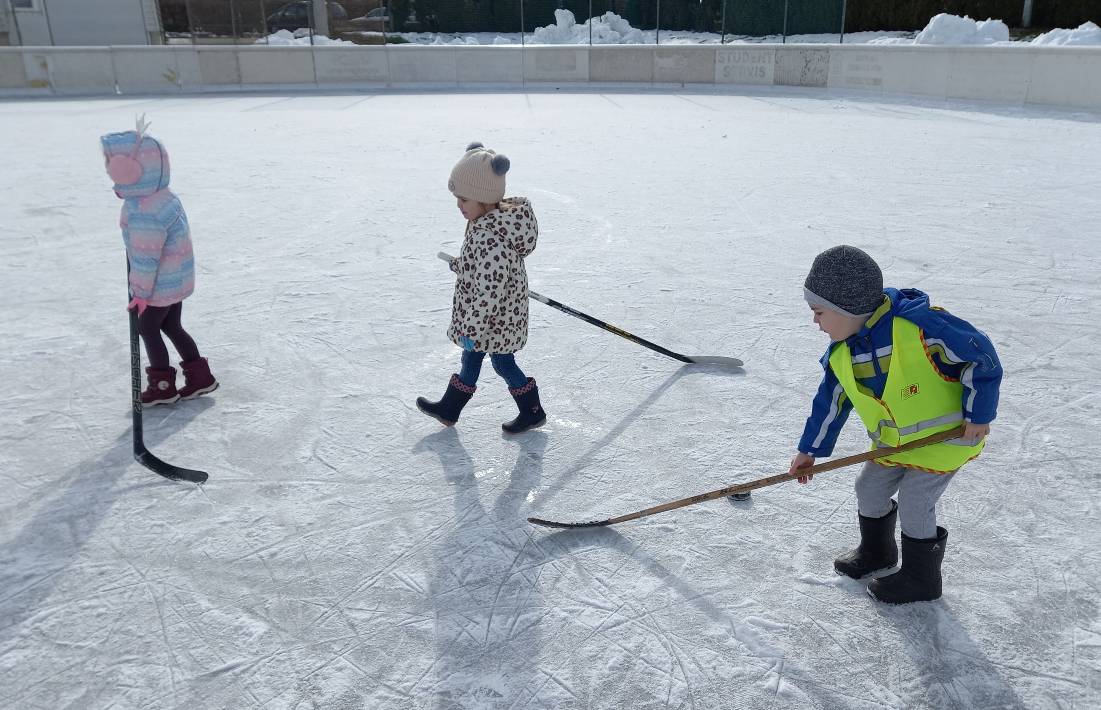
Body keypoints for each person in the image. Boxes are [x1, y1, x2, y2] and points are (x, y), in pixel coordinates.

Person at [791, 245, 1001, 604]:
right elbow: (830, 403)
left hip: (945, 441)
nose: (816, 322)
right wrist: (809, 450)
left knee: (915, 501)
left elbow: (980, 357)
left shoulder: (922, 326)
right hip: (894, 443)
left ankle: (922, 579)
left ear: (848, 308)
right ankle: (878, 554)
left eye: (819, 312)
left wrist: (978, 414)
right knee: (869, 490)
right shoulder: (843, 354)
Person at [416, 143, 545, 434]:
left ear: (484, 198)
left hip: (494, 321)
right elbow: (485, 271)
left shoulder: (491, 237)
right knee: (472, 358)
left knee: (502, 363)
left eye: (463, 199)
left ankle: (532, 411)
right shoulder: (485, 225)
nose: (459, 205)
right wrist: (463, 265)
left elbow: (488, 292)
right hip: (489, 320)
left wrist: (471, 329)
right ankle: (450, 409)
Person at [101, 117, 217, 405]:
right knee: (172, 326)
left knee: (148, 328)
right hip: (175, 278)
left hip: (158, 286)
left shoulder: (144, 210)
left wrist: (140, 294)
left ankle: (163, 385)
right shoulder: (162, 196)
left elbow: (145, 258)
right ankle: (201, 378)